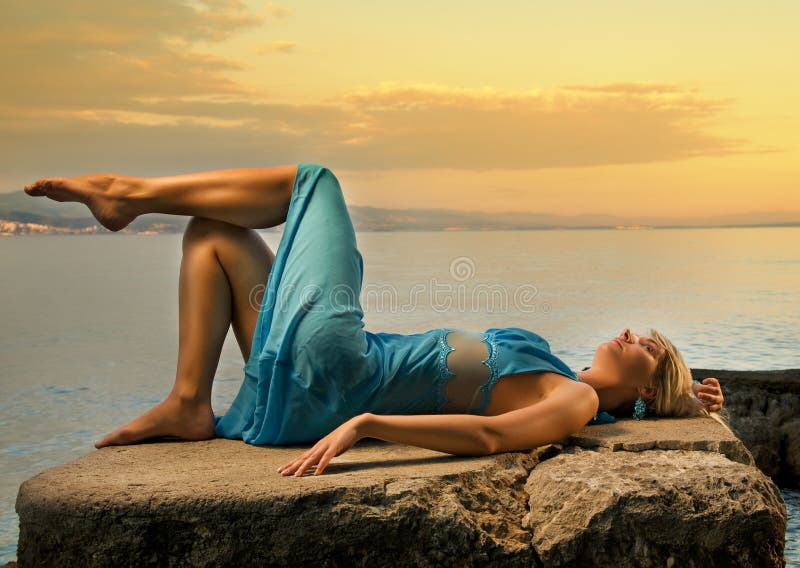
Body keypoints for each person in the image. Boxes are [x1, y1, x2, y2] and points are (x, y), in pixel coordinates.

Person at [23, 163, 727, 477]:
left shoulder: (571, 400)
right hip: (318, 386)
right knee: (213, 235)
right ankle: (187, 401)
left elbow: (488, 435)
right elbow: (604, 404)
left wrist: (367, 426)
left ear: (643, 390)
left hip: (342, 370)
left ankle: (126, 195)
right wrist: (683, 401)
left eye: (650, 348)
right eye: (643, 333)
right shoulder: (572, 389)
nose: (633, 334)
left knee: (316, 181)